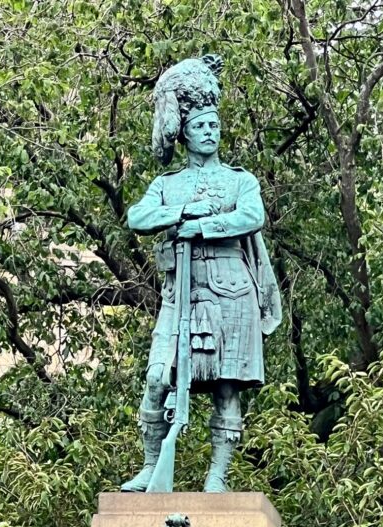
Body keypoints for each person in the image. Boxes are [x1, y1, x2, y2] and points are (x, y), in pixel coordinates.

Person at [122, 54, 281, 493]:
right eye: (200, 126)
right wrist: (183, 212)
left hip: (232, 290)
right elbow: (138, 217)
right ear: (186, 134)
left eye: (214, 125)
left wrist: (203, 227)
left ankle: (217, 478)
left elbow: (251, 216)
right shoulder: (167, 184)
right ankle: (150, 467)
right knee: (157, 378)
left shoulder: (239, 180)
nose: (210, 132)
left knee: (227, 388)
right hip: (182, 293)